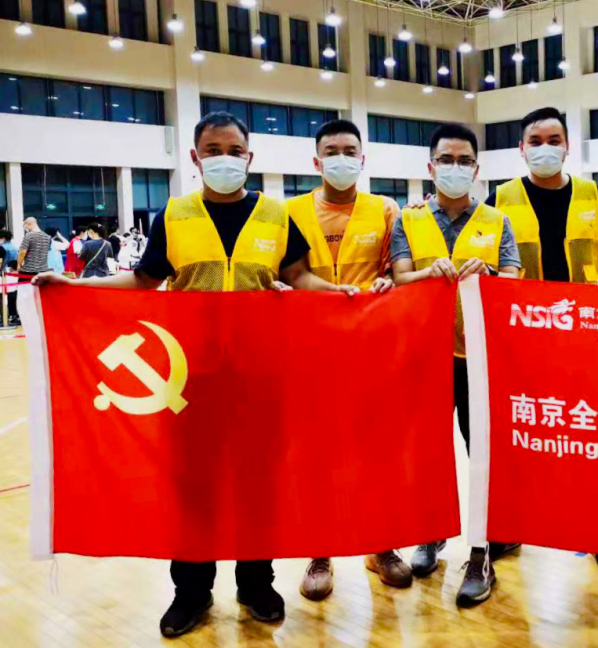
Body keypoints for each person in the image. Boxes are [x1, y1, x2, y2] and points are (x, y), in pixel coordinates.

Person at [34, 111, 357, 639]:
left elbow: (299, 276)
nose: (224, 159)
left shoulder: (275, 216)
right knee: (192, 490)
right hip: (188, 381)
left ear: (249, 158)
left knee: (257, 486)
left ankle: (256, 584)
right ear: (194, 156)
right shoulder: (175, 214)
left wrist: (340, 293)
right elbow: (144, 280)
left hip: (259, 376)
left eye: (234, 150)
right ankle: (191, 592)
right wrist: (74, 286)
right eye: (213, 150)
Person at [390, 122, 520, 607]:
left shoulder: (497, 220)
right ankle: (430, 534)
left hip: (480, 360)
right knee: (427, 452)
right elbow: (399, 277)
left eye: (464, 160)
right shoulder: (409, 219)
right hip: (424, 357)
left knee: (483, 455)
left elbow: (513, 277)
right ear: (431, 167)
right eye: (446, 160)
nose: (455, 168)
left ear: (476, 168)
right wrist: (429, 271)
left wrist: (490, 271)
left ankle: (482, 552)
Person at [287, 118, 405, 599]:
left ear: (362, 158)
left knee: (378, 452)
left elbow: (398, 270)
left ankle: (381, 546)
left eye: (349, 150)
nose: (341, 158)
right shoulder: (289, 212)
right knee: (318, 456)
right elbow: (286, 273)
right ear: (316, 161)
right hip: (310, 348)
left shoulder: (386, 209)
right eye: (331, 151)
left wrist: (389, 281)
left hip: (370, 345)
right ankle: (320, 551)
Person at [485, 107, 598, 285]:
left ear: (566, 147)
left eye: (554, 141)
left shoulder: (591, 193)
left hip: (582, 300)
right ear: (522, 148)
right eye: (535, 142)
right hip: (525, 301)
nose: (545, 148)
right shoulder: (500, 199)